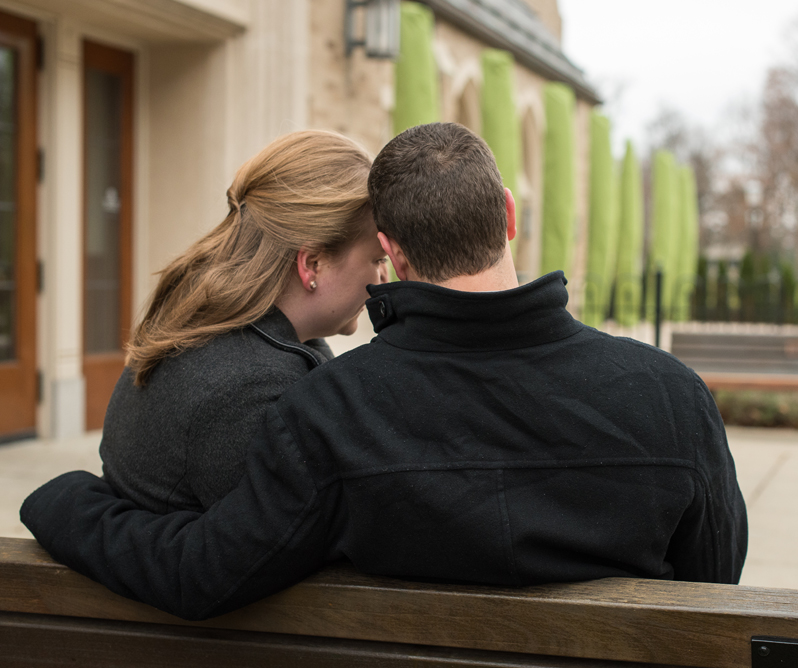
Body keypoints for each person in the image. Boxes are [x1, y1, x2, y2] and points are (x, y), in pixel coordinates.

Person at [22, 123, 747, 621]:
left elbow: (207, 571)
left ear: (393, 253)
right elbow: (713, 588)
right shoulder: (673, 397)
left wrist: (65, 501)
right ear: (508, 214)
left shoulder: (332, 410)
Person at [95, 129, 387, 513]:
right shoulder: (248, 390)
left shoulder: (228, 328)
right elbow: (294, 544)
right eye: (377, 260)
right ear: (312, 263)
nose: (383, 281)